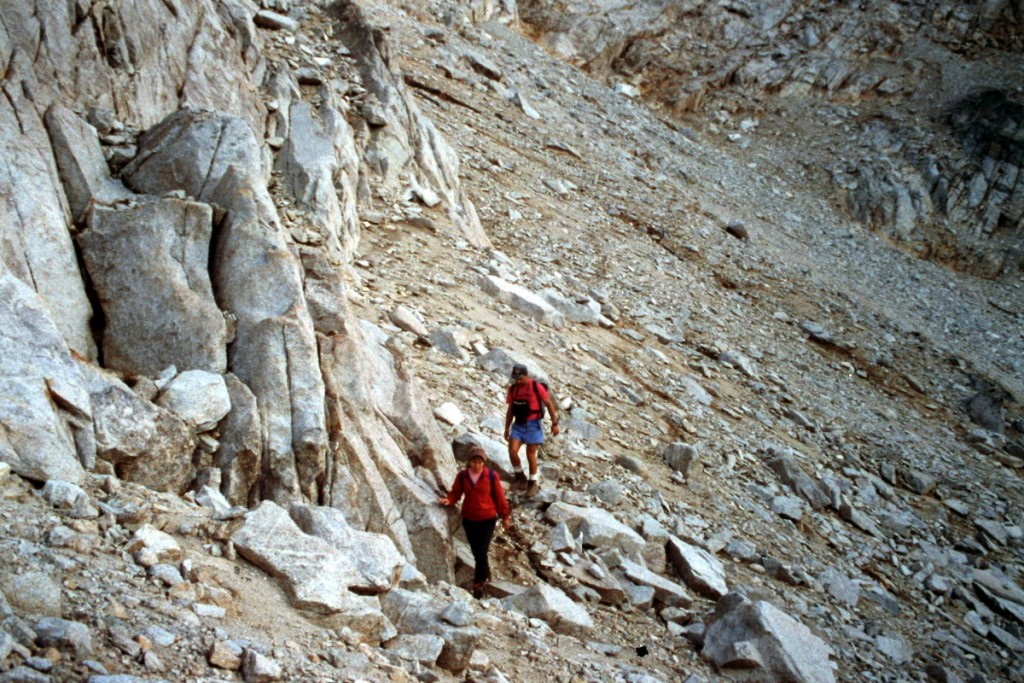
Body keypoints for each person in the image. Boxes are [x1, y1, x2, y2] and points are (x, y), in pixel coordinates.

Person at [438, 446, 511, 598]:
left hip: (487, 519)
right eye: (474, 462)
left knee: (481, 552)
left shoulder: (491, 476)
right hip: (469, 519)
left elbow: (500, 498)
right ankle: (485, 573)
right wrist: (449, 500)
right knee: (477, 551)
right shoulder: (463, 476)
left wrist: (505, 517)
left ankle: (479, 583)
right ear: (469, 462)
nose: (477, 465)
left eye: (480, 462)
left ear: (483, 463)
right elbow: (456, 493)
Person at [503, 364, 559, 496]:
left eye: (520, 378)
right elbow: (510, 410)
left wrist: (554, 423)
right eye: (516, 378)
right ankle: (520, 476)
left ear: (526, 375)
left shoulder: (536, 387)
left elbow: (549, 404)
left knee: (530, 454)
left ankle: (532, 482)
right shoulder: (513, 389)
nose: (518, 381)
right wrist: (506, 428)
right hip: (518, 424)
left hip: (533, 425)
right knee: (512, 450)